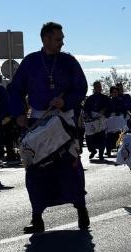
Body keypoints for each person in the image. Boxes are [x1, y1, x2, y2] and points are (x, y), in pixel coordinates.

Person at [9, 21, 89, 234]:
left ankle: (81, 209)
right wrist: (18, 114)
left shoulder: (69, 61)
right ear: (45, 39)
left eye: (62, 39)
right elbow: (15, 90)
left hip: (64, 122)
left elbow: (81, 87)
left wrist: (66, 101)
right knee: (36, 170)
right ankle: (37, 218)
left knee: (70, 167)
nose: (62, 42)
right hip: (39, 121)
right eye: (58, 39)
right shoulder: (30, 62)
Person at [83, 80, 110, 161]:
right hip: (91, 119)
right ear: (94, 88)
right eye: (97, 86)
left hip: (101, 119)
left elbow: (109, 106)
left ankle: (101, 154)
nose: (99, 88)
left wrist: (103, 111)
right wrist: (87, 116)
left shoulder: (105, 98)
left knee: (101, 136)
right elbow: (85, 109)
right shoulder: (90, 98)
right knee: (89, 137)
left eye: (100, 86)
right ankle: (92, 150)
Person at [106, 85, 131, 156]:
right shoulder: (109, 101)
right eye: (113, 92)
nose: (115, 93)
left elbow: (125, 109)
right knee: (110, 135)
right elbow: (106, 110)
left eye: (116, 92)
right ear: (111, 93)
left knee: (120, 135)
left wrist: (123, 114)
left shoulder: (121, 100)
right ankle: (108, 150)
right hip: (111, 121)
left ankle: (120, 149)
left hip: (119, 120)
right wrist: (109, 114)